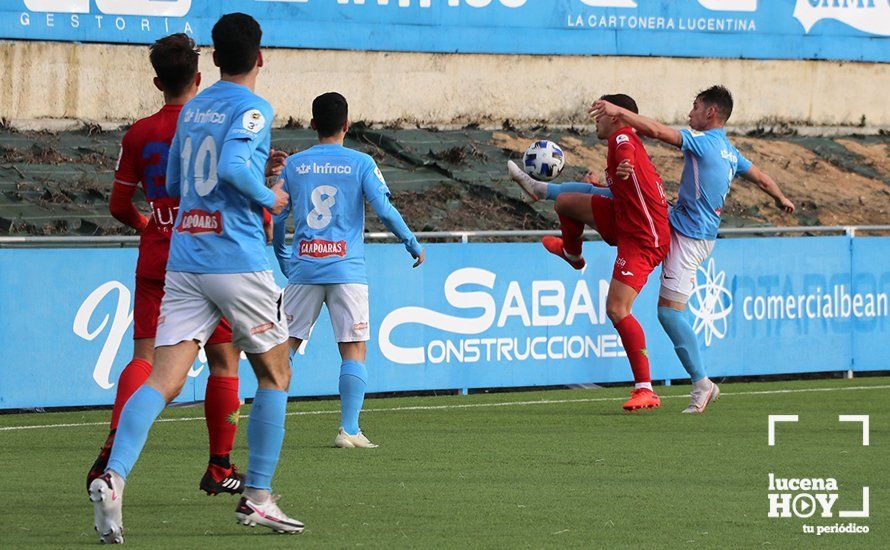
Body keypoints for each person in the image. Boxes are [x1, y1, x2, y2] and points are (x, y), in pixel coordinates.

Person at [88, 13, 303, 543]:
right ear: (260, 57)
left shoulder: (194, 109)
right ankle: (257, 497)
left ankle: (113, 477)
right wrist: (269, 193)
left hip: (185, 257)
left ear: (214, 58)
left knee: (163, 378)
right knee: (276, 374)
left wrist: (253, 174)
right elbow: (230, 167)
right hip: (237, 258)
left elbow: (182, 181)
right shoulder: (254, 106)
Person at [88, 32, 249, 500]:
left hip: (159, 256)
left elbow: (119, 204)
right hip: (208, 255)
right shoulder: (215, 124)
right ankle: (220, 465)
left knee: (144, 358)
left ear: (158, 81)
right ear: (199, 78)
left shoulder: (140, 132)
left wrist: (149, 223)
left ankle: (113, 451)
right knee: (224, 360)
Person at [590, 85, 795, 413]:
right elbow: (762, 178)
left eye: (695, 107)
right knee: (618, 199)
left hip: (689, 237)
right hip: (679, 221)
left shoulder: (705, 141)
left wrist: (620, 113)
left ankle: (702, 383)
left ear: (711, 113)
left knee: (669, 313)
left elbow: (657, 131)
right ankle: (552, 193)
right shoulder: (730, 150)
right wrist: (781, 198)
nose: (690, 113)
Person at [273, 92, 424, 449]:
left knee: (282, 351)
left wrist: (283, 255)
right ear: (346, 125)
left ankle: (271, 427)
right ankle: (349, 430)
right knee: (353, 350)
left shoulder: (294, 166)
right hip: (346, 270)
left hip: (305, 270)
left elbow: (277, 214)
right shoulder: (361, 162)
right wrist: (411, 242)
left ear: (312, 125)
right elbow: (384, 210)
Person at [509, 94, 669, 412]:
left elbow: (626, 154)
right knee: (566, 203)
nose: (595, 119)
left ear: (617, 116)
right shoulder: (620, 142)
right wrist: (605, 179)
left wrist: (624, 164)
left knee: (617, 310)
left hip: (642, 239)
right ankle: (572, 254)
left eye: (601, 113)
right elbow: (622, 182)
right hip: (625, 217)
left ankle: (646, 389)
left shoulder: (623, 138)